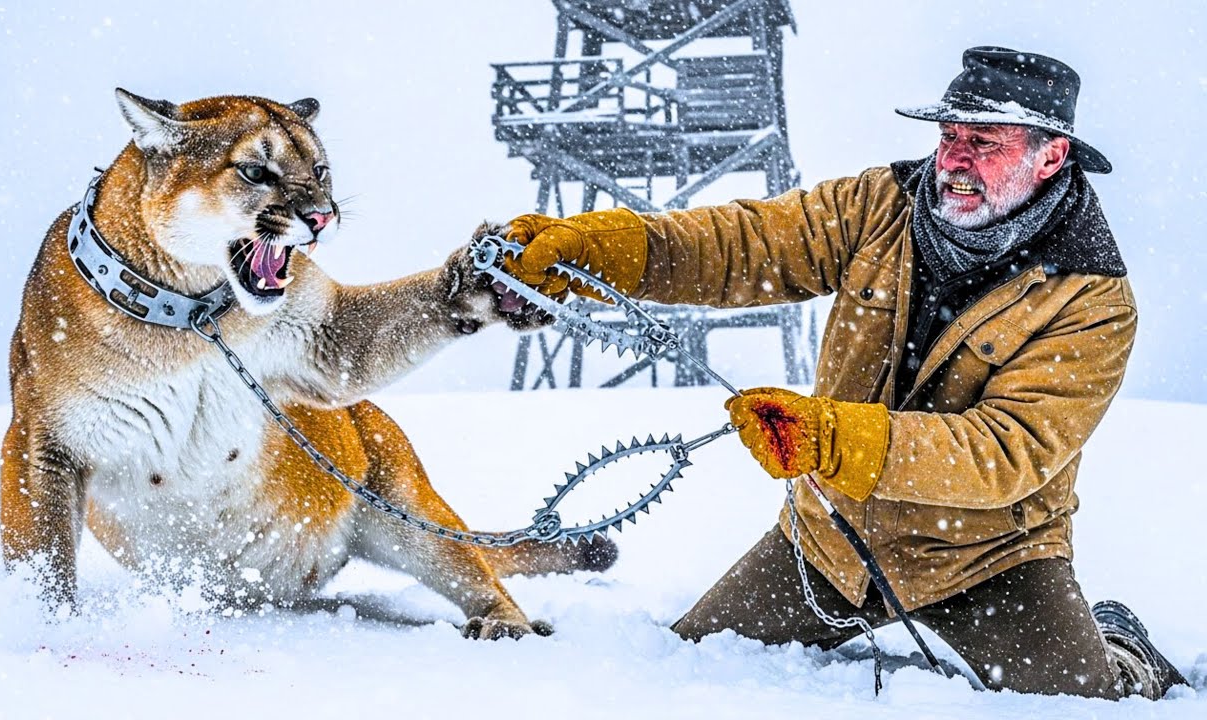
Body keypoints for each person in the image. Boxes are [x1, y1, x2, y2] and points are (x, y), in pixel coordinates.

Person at [495, 47, 1186, 699]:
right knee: (695, 656)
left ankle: (1124, 648)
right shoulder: (879, 205)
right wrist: (605, 250)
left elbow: (1005, 452)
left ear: (1050, 157)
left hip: (989, 560)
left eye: (984, 142)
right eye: (949, 136)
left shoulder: (1092, 299)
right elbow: (742, 245)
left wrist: (832, 437)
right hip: (828, 541)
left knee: (1092, 700)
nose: (954, 160)